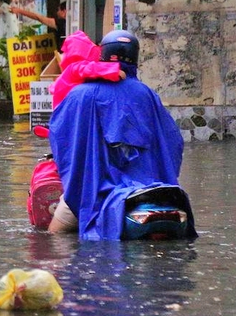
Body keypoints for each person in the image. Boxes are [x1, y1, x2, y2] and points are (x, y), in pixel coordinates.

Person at [47, 30, 195, 240]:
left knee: (53, 237)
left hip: (95, 195)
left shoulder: (80, 94)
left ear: (103, 54)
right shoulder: (147, 95)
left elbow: (61, 138)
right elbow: (173, 143)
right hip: (150, 192)